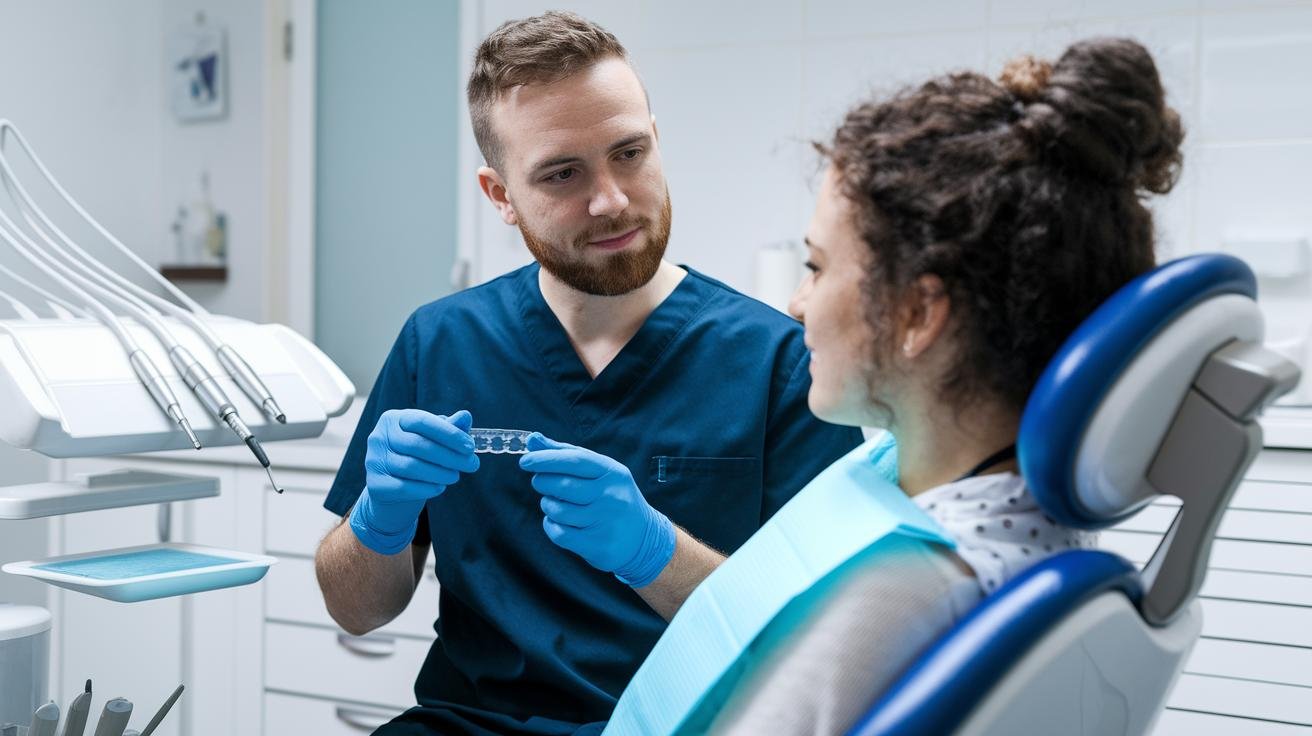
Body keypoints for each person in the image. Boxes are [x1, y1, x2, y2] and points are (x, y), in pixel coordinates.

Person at [312, 11, 863, 736]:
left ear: (657, 142)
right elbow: (357, 609)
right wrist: (379, 521)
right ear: (500, 196)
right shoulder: (440, 342)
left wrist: (654, 552)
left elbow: (817, 642)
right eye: (562, 173)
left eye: (629, 153)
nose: (610, 199)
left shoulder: (778, 362)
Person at [616, 37, 1183, 734]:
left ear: (918, 313)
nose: (796, 303)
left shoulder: (906, 593)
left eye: (817, 267)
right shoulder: (995, 503)